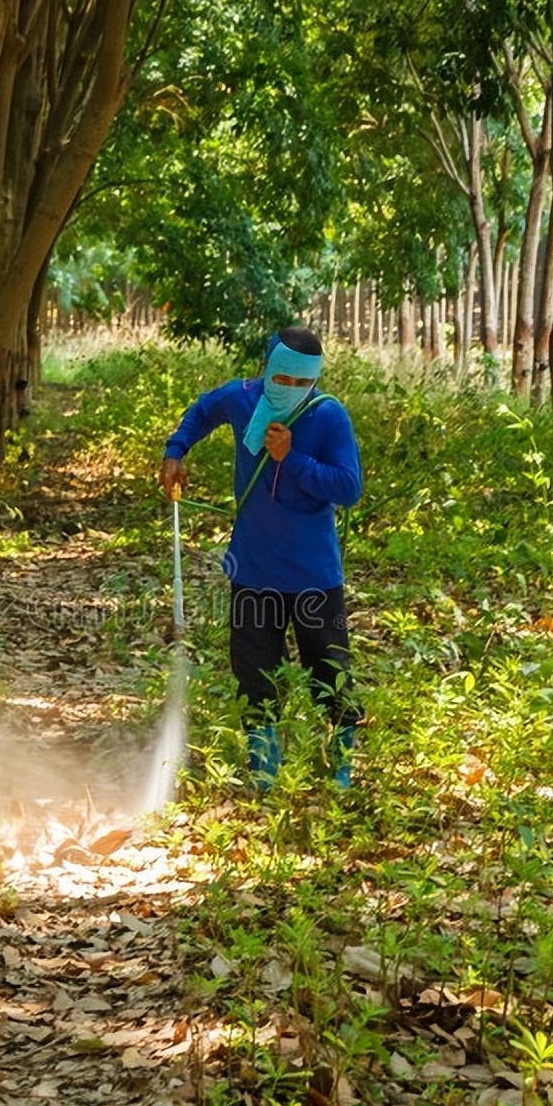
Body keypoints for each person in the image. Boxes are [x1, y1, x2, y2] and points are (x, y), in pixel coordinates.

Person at [158, 325, 363, 788]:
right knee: (254, 673)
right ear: (266, 369)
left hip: (314, 578)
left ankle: (340, 768)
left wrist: (290, 459)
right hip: (253, 571)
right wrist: (176, 451)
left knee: (329, 672)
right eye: (282, 378)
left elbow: (348, 487)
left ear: (314, 380)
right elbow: (202, 411)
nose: (290, 389)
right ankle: (265, 771)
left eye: (301, 382)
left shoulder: (328, 416)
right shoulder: (242, 398)